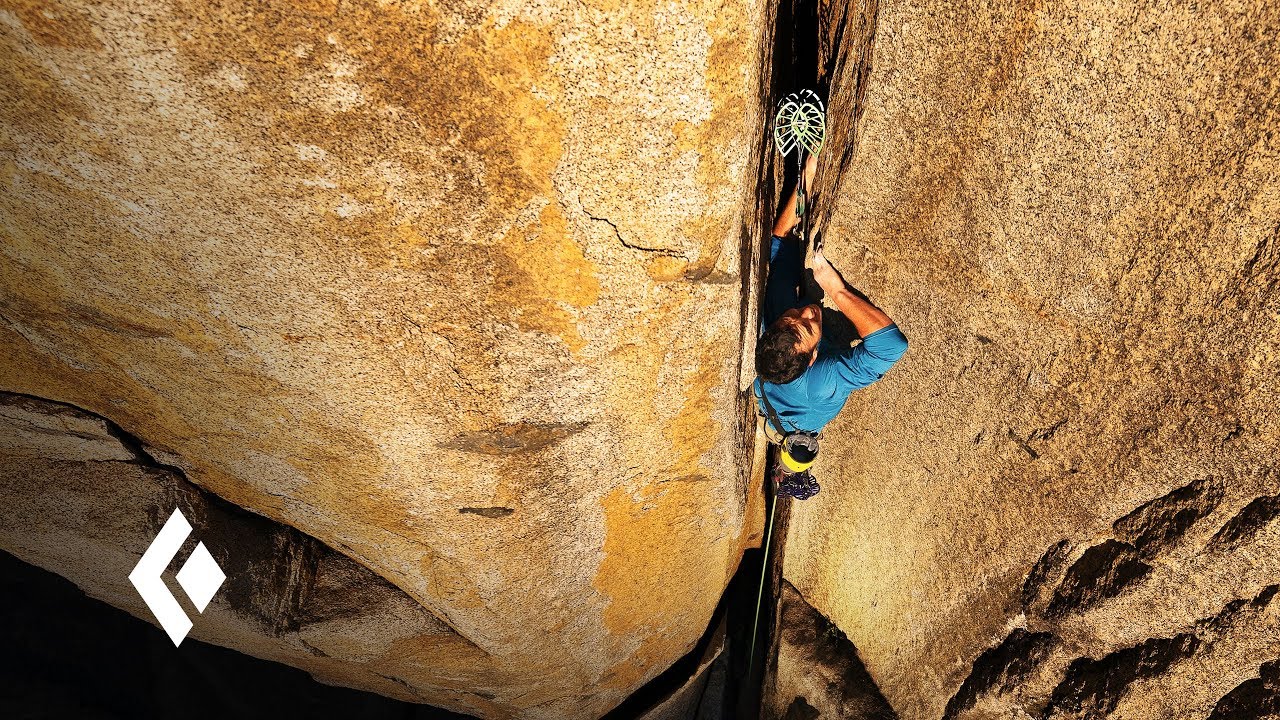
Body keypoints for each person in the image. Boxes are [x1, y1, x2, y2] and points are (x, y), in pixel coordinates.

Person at [754, 155, 909, 476]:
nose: (807, 312)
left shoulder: (779, 325)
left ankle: (789, 455)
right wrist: (837, 291)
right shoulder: (824, 381)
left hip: (780, 404)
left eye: (794, 315)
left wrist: (807, 180)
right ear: (813, 358)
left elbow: (779, 243)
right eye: (807, 327)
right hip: (804, 407)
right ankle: (791, 461)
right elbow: (891, 347)